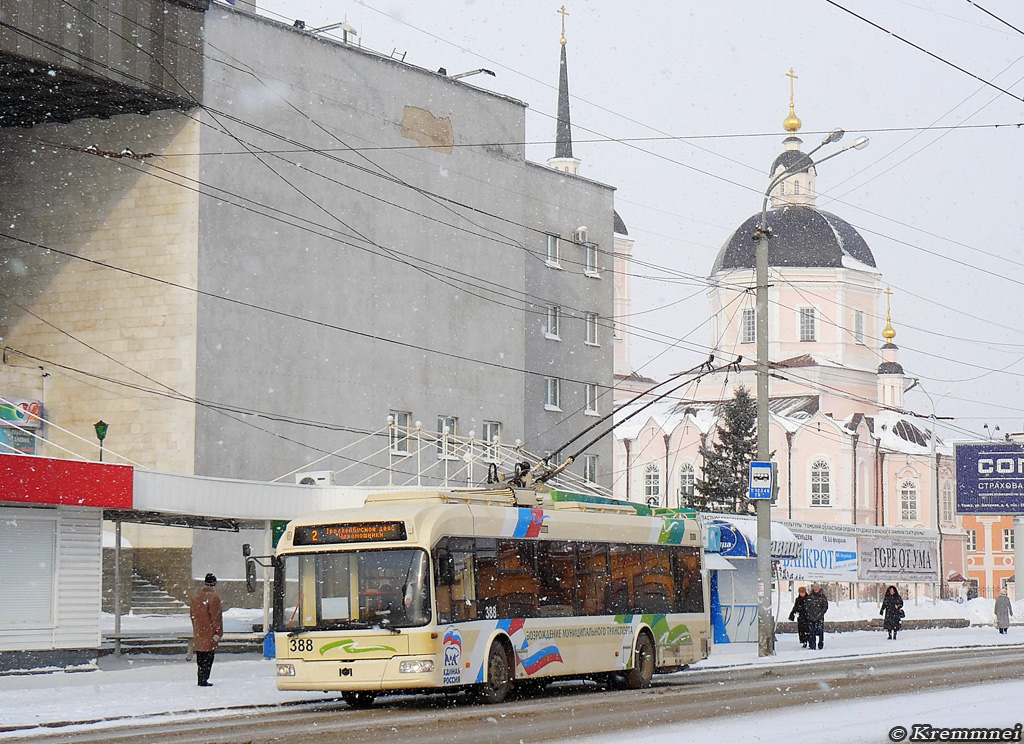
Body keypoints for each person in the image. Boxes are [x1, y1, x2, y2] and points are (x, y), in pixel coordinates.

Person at [190, 573, 223, 687]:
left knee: (200, 656)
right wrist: (218, 632)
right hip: (209, 632)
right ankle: (204, 678)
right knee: (208, 657)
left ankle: (201, 678)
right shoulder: (214, 597)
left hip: (199, 631)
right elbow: (216, 616)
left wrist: (196, 627)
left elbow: (192, 614)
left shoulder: (196, 596)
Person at [803, 584, 829, 650]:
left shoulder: (822, 597)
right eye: (815, 588)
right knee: (811, 632)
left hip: (819, 618)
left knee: (820, 631)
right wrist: (810, 615)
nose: (816, 589)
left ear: (819, 589)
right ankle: (812, 645)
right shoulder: (810, 597)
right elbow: (806, 606)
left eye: (817, 588)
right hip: (811, 618)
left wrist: (820, 614)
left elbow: (825, 607)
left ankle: (820, 644)